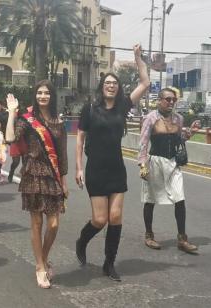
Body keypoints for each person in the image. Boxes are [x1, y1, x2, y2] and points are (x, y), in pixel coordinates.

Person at [74, 45, 149, 282]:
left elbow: (145, 83)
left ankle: (109, 263)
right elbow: (80, 138)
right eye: (107, 83)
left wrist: (137, 58)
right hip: (96, 169)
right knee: (99, 219)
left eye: (114, 83)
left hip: (116, 170)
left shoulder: (123, 106)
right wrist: (78, 167)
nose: (111, 86)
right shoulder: (90, 109)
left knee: (115, 218)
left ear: (118, 88)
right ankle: (82, 240)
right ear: (102, 86)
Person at [5, 80, 68, 289]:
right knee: (37, 224)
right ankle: (40, 266)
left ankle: (43, 257)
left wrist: (64, 181)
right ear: (35, 95)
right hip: (32, 174)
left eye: (47, 93)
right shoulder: (28, 120)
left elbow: (62, 155)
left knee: (54, 224)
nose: (43, 96)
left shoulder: (58, 122)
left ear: (52, 96)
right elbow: (10, 137)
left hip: (52, 177)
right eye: (39, 93)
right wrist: (12, 113)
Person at [138, 87, 201, 253]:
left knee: (180, 199)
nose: (171, 102)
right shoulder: (150, 118)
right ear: (159, 100)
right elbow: (143, 142)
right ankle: (149, 235)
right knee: (150, 199)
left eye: (173, 99)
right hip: (155, 163)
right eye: (167, 99)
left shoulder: (178, 119)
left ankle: (182, 238)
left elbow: (180, 138)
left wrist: (191, 133)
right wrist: (143, 165)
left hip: (173, 164)